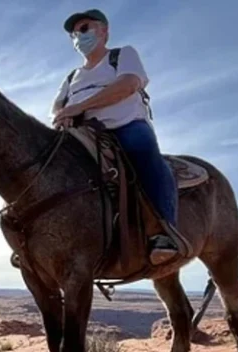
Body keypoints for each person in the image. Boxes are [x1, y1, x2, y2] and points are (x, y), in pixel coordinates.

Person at [50, 8, 179, 265]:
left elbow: (129, 83)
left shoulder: (122, 55)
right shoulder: (71, 77)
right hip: (80, 133)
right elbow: (57, 107)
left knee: (143, 150)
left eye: (84, 28)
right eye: (74, 34)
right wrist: (63, 115)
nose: (78, 36)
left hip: (125, 126)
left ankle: (164, 232)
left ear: (104, 30)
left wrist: (79, 107)